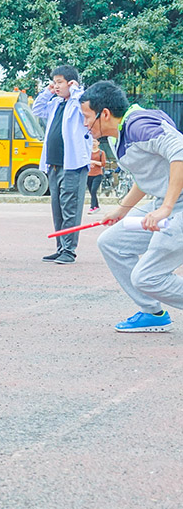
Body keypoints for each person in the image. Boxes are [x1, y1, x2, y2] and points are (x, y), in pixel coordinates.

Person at [82, 80, 183, 333]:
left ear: (104, 114)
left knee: (147, 277)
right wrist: (123, 209)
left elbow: (180, 153)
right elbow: (146, 176)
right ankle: (153, 313)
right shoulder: (119, 136)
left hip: (176, 207)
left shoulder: (139, 125)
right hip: (167, 203)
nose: (84, 124)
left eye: (86, 117)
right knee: (111, 242)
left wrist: (166, 209)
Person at [33, 65, 92, 264]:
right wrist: (47, 91)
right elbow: (37, 109)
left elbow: (81, 103)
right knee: (57, 208)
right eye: (54, 82)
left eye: (60, 82)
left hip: (72, 165)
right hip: (54, 165)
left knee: (71, 208)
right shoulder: (56, 103)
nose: (56, 86)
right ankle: (60, 247)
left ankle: (69, 250)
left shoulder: (80, 103)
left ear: (71, 83)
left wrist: (76, 89)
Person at [88, 145, 105, 214]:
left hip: (98, 174)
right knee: (91, 192)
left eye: (95, 141)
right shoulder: (88, 152)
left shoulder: (101, 152)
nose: (93, 143)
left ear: (98, 143)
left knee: (93, 190)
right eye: (92, 142)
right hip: (89, 174)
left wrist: (94, 162)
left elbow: (103, 163)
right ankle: (97, 206)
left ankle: (92, 207)